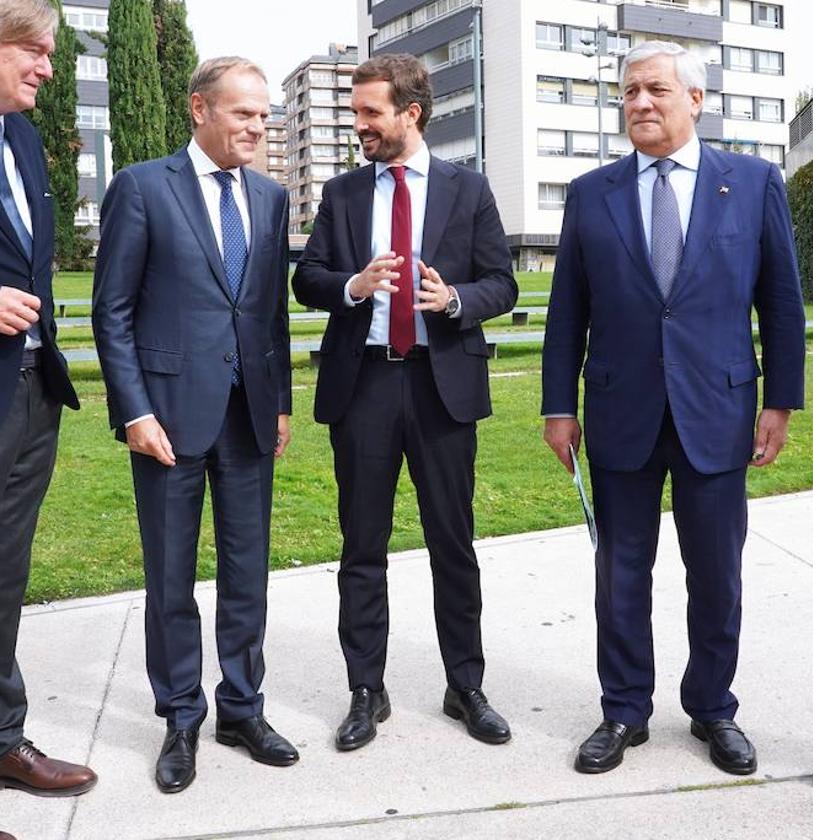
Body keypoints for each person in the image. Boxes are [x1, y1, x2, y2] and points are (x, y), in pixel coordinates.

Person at [541, 40, 806, 777]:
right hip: (622, 412)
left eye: (655, 89)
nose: (640, 104)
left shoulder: (751, 183)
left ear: (695, 99)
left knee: (716, 573)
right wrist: (557, 407)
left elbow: (780, 302)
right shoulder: (592, 193)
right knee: (620, 573)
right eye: (628, 92)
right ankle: (624, 710)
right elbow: (568, 312)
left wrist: (781, 400)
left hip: (717, 412)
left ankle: (713, 708)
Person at [292, 54, 517, 751]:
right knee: (363, 544)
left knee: (454, 542)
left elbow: (501, 286)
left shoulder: (468, 189)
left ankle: (465, 685)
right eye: (355, 112)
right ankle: (366, 690)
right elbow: (309, 279)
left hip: (441, 383)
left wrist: (453, 299)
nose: (358, 125)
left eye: (369, 113)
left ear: (410, 114)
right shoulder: (343, 193)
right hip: (363, 386)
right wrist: (354, 287)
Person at [92, 57, 295, 793]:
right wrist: (134, 412)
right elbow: (110, 312)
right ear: (198, 108)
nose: (256, 126)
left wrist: (280, 402)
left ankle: (243, 707)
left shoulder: (271, 199)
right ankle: (182, 715)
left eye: (264, 115)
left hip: (249, 419)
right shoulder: (143, 187)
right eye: (243, 112)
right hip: (167, 423)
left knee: (249, 576)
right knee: (171, 579)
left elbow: (269, 312)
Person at [0, 0, 96, 800]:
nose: (46, 67)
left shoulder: (22, 137)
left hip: (30, 391)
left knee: (4, 573)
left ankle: (1, 739)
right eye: (32, 49)